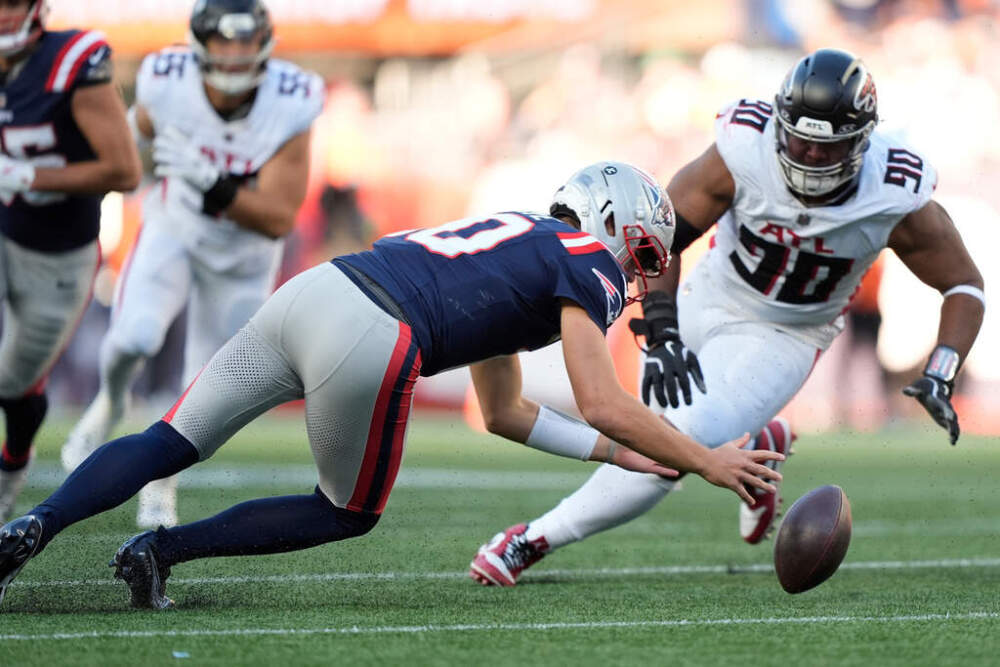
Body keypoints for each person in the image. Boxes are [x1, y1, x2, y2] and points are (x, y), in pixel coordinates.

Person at [0, 161, 785, 610]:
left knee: (168, 439)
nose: (639, 271)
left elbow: (504, 411)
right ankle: (161, 549)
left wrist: (613, 453)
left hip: (315, 291)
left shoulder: (521, 243)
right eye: (640, 252)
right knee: (348, 512)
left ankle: (32, 524)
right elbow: (602, 396)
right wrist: (707, 460)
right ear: (612, 223)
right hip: (376, 331)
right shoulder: (586, 261)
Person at [469, 48, 985, 587]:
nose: (806, 154)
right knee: (656, 426)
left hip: (787, 331)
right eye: (798, 138)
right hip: (708, 294)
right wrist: (663, 326)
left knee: (669, 445)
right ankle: (761, 443)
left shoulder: (893, 191)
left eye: (823, 145)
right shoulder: (746, 145)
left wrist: (942, 368)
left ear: (860, 142)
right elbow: (660, 237)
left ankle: (530, 540)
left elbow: (964, 284)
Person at [59, 0, 325, 529]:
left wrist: (214, 183)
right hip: (175, 228)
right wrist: (126, 168)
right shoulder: (166, 81)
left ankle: (161, 486)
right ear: (200, 46)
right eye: (223, 44)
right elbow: (129, 148)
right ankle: (109, 404)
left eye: (244, 43)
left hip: (245, 256)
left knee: (202, 386)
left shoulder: (291, 100)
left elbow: (276, 218)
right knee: (133, 336)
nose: (234, 58)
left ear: (264, 44)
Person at [0, 1, 141, 522]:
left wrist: (27, 177)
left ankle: (11, 463)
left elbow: (124, 170)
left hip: (58, 255)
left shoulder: (71, 60)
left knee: (13, 382)